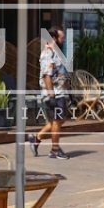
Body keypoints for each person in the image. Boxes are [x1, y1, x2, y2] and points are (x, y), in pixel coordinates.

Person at [35, 26, 69, 158]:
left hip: (60, 92)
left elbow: (60, 73)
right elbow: (47, 75)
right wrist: (51, 95)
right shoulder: (48, 53)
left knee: (60, 119)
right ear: (54, 38)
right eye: (62, 37)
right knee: (57, 120)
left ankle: (36, 138)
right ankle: (55, 150)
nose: (63, 39)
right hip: (54, 93)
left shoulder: (56, 52)